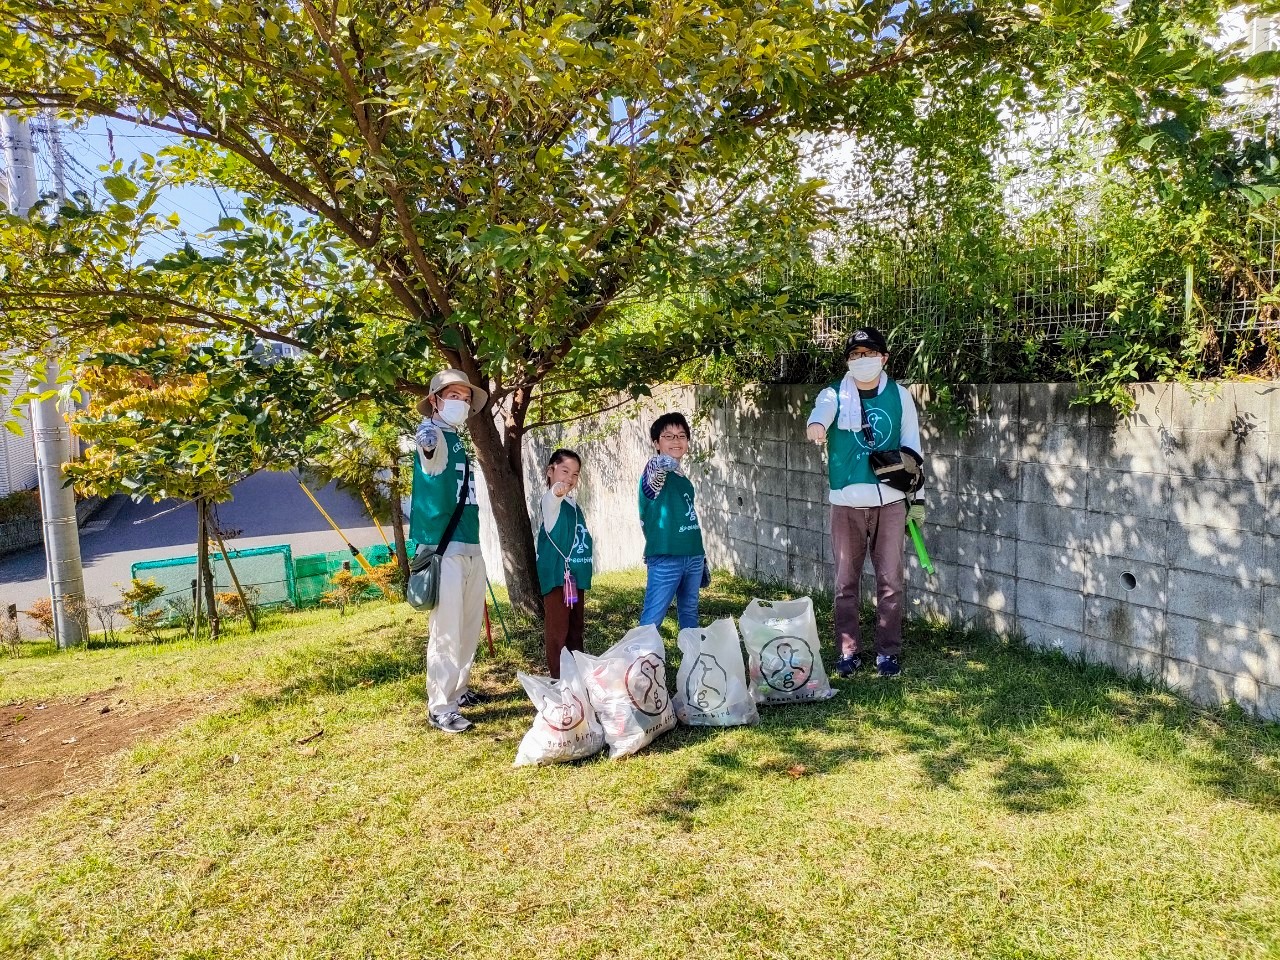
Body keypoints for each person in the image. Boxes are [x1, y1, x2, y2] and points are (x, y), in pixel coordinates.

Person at [805, 327, 925, 678]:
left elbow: (913, 450)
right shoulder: (834, 394)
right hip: (846, 504)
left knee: (891, 582)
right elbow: (821, 411)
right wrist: (816, 425)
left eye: (868, 354)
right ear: (848, 361)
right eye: (855, 355)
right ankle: (847, 652)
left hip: (890, 504)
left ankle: (888, 652)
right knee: (845, 583)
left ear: (884, 357)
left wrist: (916, 501)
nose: (862, 361)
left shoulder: (899, 396)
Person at [411, 368, 489, 733]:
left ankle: (458, 691)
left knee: (469, 625)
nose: (460, 401)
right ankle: (440, 706)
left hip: (470, 543)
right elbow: (430, 457)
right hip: (444, 549)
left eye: (465, 396)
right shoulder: (435, 436)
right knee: (447, 630)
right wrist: (426, 440)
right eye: (452, 395)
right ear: (435, 401)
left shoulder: (459, 440)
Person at [638, 412, 706, 630]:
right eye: (669, 436)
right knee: (652, 620)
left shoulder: (683, 479)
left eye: (681, 435)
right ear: (656, 443)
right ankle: (640, 662)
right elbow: (655, 472)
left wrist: (701, 557)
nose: (677, 441)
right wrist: (662, 462)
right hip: (666, 558)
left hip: (694, 556)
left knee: (689, 612)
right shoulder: (656, 472)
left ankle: (693, 660)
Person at [536, 449, 594, 679]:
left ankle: (577, 677)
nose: (569, 479)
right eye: (564, 471)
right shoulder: (551, 502)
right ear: (551, 471)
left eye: (575, 474)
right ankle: (559, 680)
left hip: (574, 576)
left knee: (575, 629)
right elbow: (553, 496)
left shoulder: (573, 504)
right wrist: (556, 491)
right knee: (558, 632)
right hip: (557, 577)